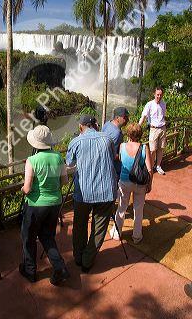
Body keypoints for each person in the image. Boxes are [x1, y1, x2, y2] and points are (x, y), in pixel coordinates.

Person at [66, 114, 117, 273]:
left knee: (79, 225)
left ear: (81, 127)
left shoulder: (76, 141)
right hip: (106, 190)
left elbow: (69, 163)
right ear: (95, 125)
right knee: (99, 228)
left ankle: (78, 257)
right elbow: (112, 157)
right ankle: (87, 261)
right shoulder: (107, 139)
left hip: (84, 192)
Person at [20, 125, 69, 286]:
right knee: (47, 236)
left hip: (35, 205)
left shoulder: (32, 160)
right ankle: (59, 266)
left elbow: (27, 189)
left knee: (28, 237)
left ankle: (30, 270)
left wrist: (23, 188)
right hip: (55, 203)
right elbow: (64, 181)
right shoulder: (58, 157)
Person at [109, 123, 153, 244]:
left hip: (124, 181)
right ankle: (137, 236)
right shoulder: (144, 148)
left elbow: (122, 160)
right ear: (140, 134)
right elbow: (150, 169)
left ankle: (117, 233)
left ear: (128, 134)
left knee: (121, 208)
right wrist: (150, 184)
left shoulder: (122, 146)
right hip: (140, 183)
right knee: (138, 210)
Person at [139, 87, 166, 175]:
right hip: (153, 129)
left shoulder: (163, 104)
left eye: (161, 95)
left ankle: (158, 166)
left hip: (162, 128)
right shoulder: (149, 104)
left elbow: (163, 116)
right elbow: (143, 116)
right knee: (152, 149)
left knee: (161, 148)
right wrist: (138, 126)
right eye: (157, 94)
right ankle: (150, 166)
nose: (159, 96)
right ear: (154, 94)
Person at [102, 107, 129, 177]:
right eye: (125, 117)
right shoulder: (117, 133)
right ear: (117, 118)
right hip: (113, 168)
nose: (127, 120)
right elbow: (112, 154)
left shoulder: (107, 123)